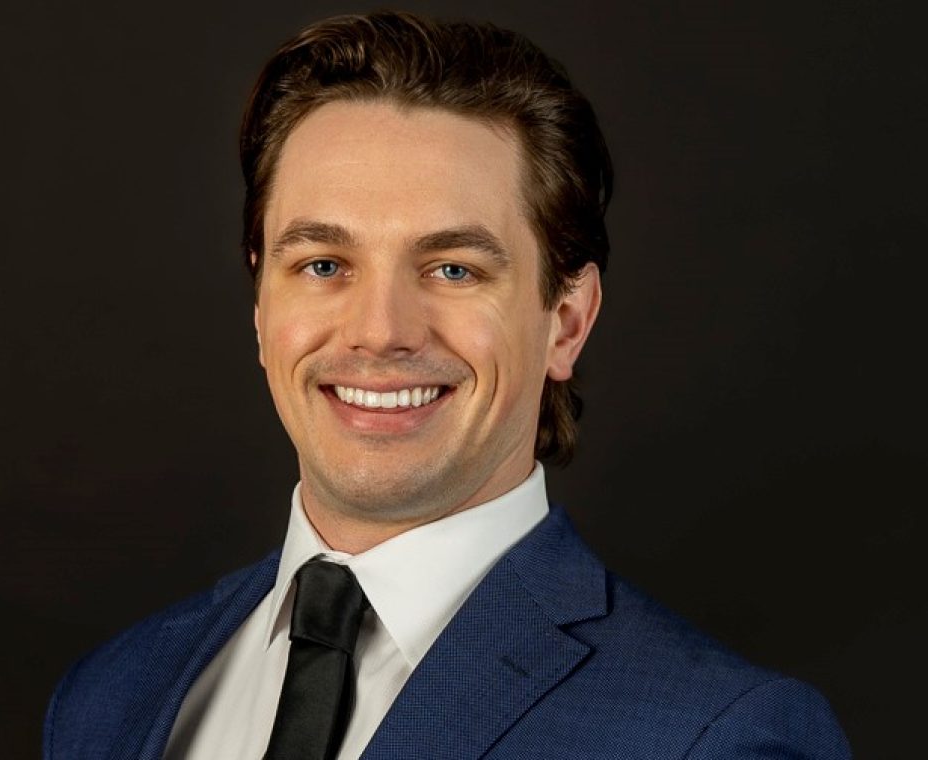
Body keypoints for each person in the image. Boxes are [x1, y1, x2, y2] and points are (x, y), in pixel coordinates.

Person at [44, 11, 850, 759]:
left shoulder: (717, 735)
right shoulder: (112, 695)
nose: (380, 330)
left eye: (453, 269)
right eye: (323, 265)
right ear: (261, 305)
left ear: (567, 321)